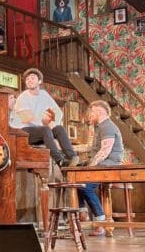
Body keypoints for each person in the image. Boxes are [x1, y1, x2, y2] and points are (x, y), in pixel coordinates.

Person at [8, 68, 79, 167]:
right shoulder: (22, 98)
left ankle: (73, 158)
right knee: (45, 130)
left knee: (59, 129)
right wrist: (45, 123)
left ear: (39, 81)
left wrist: (54, 123)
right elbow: (27, 119)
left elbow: (58, 112)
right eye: (27, 79)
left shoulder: (44, 94)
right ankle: (60, 161)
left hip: (38, 131)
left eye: (32, 78)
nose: (29, 81)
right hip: (21, 132)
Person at [77, 100, 126, 237]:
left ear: (99, 111)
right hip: (103, 164)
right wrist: (67, 148)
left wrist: (91, 167)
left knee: (84, 185)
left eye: (91, 112)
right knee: (77, 180)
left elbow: (105, 151)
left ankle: (100, 222)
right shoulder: (100, 127)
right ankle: (82, 211)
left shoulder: (107, 126)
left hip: (109, 165)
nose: (89, 115)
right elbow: (91, 148)